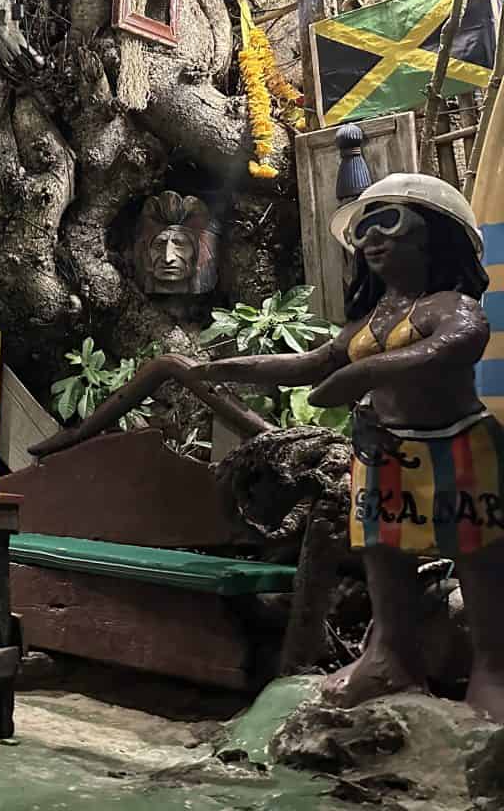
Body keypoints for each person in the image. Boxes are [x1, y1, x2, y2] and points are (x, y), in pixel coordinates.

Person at [193, 173, 502, 718]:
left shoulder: (446, 304)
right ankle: (391, 658)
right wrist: (227, 367)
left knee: (478, 557)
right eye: (363, 227)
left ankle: (494, 670)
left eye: (389, 221)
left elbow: (461, 341)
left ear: (432, 233)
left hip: (454, 449)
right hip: (383, 452)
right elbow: (310, 363)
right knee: (383, 552)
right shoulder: (370, 319)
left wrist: (363, 375)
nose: (371, 237)